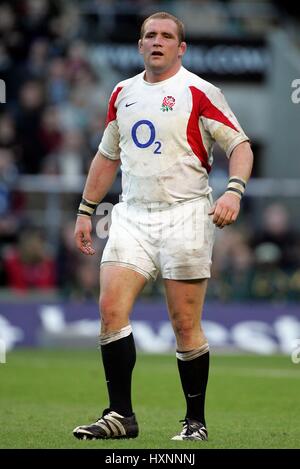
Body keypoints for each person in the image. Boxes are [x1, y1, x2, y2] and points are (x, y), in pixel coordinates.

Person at [73, 11, 253, 441]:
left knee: (184, 323)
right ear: (140, 45)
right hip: (132, 214)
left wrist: (233, 191)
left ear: (181, 47)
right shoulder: (122, 93)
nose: (157, 41)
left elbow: (240, 146)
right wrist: (85, 209)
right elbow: (106, 156)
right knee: (110, 310)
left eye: (166, 36)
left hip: (187, 214)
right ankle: (120, 416)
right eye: (149, 35)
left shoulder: (200, 91)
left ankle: (195, 422)